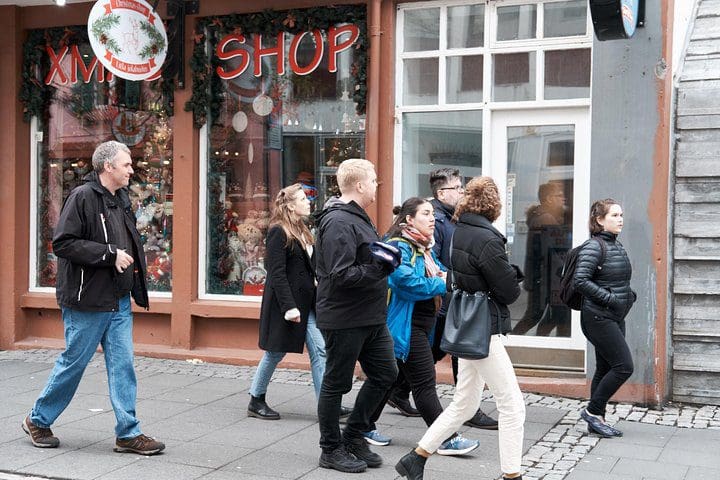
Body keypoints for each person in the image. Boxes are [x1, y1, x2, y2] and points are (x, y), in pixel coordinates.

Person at [22, 141, 165, 456]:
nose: (131, 169)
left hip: (118, 300)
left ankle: (128, 433)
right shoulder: (83, 197)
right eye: (126, 164)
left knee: (123, 365)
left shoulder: (120, 198)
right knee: (74, 364)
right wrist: (109, 254)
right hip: (86, 302)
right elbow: (63, 243)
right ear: (108, 166)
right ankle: (37, 419)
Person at [395, 176, 526, 480]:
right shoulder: (487, 238)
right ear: (493, 205)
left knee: (464, 403)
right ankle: (512, 475)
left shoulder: (460, 231)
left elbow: (471, 275)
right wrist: (510, 275)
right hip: (483, 329)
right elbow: (508, 292)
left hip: (466, 322)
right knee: (512, 406)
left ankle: (416, 457)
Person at [366, 197, 479, 455]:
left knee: (388, 379)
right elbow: (407, 284)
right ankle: (446, 439)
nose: (432, 219)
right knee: (425, 383)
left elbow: (441, 271)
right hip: (406, 326)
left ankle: (361, 424)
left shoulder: (424, 247)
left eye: (432, 214)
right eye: (426, 214)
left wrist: (444, 277)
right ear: (409, 219)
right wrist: (442, 283)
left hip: (419, 325)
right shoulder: (398, 246)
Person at [389, 169, 499, 430]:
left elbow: (436, 263)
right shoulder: (434, 222)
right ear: (442, 193)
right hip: (438, 302)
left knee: (431, 355)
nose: (462, 192)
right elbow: (424, 268)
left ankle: (395, 390)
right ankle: (458, 419)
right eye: (457, 188)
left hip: (443, 299)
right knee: (441, 360)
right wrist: (447, 282)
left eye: (462, 187)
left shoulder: (449, 218)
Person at [314, 159, 399, 473]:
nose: (377, 185)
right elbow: (340, 275)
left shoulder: (358, 217)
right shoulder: (338, 220)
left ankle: (353, 435)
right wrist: (381, 267)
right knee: (336, 384)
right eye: (374, 180)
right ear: (360, 185)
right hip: (345, 317)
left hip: (371, 316)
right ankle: (331, 448)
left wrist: (382, 255)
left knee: (386, 374)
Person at [247, 184, 351, 420]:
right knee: (275, 352)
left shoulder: (303, 229)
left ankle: (328, 405)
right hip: (286, 304)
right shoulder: (278, 231)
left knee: (321, 350)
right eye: (303, 199)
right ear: (290, 205)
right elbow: (277, 272)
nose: (308, 203)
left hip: (308, 303)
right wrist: (289, 307)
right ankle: (256, 399)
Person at [574, 199, 635, 438]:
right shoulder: (593, 246)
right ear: (599, 220)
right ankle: (592, 411)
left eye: (621, 214)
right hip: (598, 317)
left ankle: (596, 420)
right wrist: (611, 299)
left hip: (615, 315)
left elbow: (618, 280)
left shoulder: (615, 245)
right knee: (624, 366)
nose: (620, 219)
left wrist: (629, 296)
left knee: (605, 367)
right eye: (614, 215)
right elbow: (581, 281)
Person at [513, 182, 572, 337]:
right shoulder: (546, 219)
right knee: (537, 316)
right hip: (546, 279)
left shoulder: (545, 217)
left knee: (553, 316)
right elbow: (554, 254)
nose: (563, 199)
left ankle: (521, 340)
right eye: (559, 195)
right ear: (549, 199)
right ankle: (512, 341)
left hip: (544, 278)